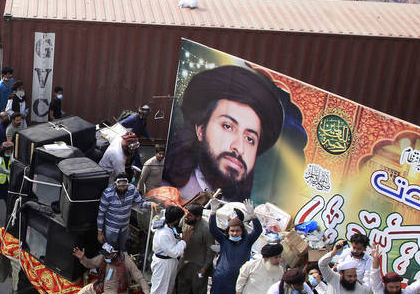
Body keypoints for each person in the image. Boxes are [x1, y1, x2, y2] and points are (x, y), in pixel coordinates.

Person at [162, 63, 285, 201]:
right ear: (201, 130)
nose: (239, 147)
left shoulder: (236, 210)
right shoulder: (167, 191)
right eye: (228, 126)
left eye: (250, 139)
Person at [95, 175, 144, 252]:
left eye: (124, 186)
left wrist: (150, 204)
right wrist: (99, 233)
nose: (122, 188)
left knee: (122, 249)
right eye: (120, 186)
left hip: (124, 228)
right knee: (109, 250)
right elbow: (101, 214)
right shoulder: (107, 193)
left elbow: (140, 203)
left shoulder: (132, 189)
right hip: (111, 230)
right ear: (115, 184)